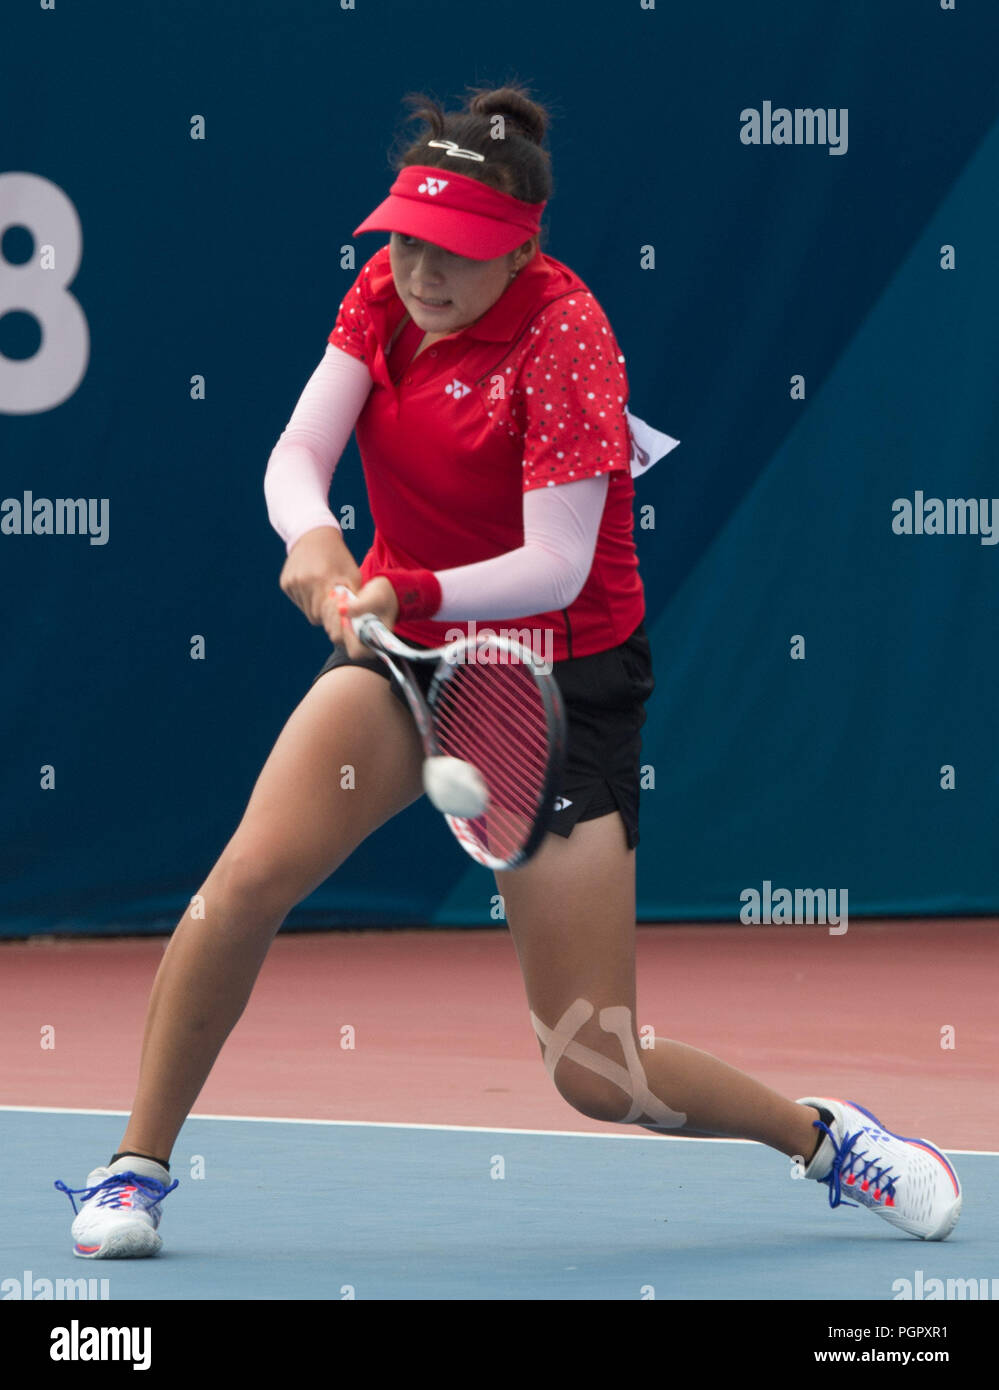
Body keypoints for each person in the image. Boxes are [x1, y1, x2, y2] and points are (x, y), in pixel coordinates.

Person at [55, 84, 961, 1258]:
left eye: (459, 255)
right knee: (244, 881)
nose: (425, 274)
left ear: (524, 247)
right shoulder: (383, 294)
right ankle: (132, 1170)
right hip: (407, 662)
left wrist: (408, 588)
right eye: (410, 241)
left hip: (560, 683)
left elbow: (556, 562)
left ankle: (825, 1138)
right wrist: (316, 541)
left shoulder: (568, 332)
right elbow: (296, 452)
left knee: (597, 1067)